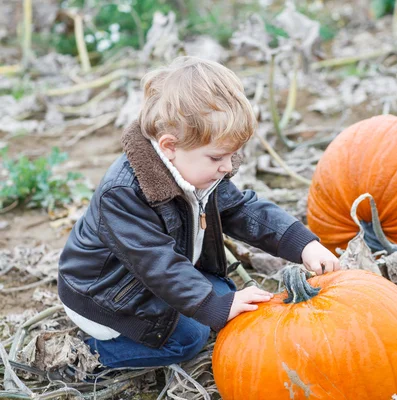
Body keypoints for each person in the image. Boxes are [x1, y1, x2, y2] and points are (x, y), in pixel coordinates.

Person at [57, 56, 340, 369]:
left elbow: (242, 210)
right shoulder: (123, 194)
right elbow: (157, 264)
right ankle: (93, 355)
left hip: (151, 278)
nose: (228, 166)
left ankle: (198, 307)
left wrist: (303, 244)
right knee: (187, 339)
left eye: (234, 155)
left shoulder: (196, 169)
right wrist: (211, 306)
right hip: (107, 297)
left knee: (228, 295)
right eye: (218, 156)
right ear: (169, 147)